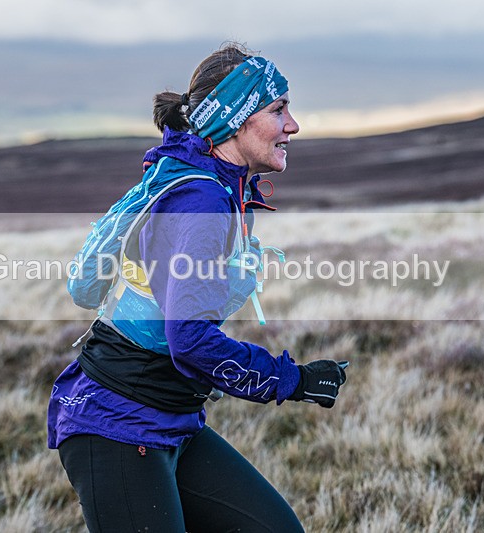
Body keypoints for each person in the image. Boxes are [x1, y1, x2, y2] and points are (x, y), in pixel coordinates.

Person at [47, 42, 348, 532]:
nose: (293, 125)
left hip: (170, 417)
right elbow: (189, 340)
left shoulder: (206, 181)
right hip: (117, 423)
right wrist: (293, 380)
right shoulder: (202, 202)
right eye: (278, 109)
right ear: (235, 119)